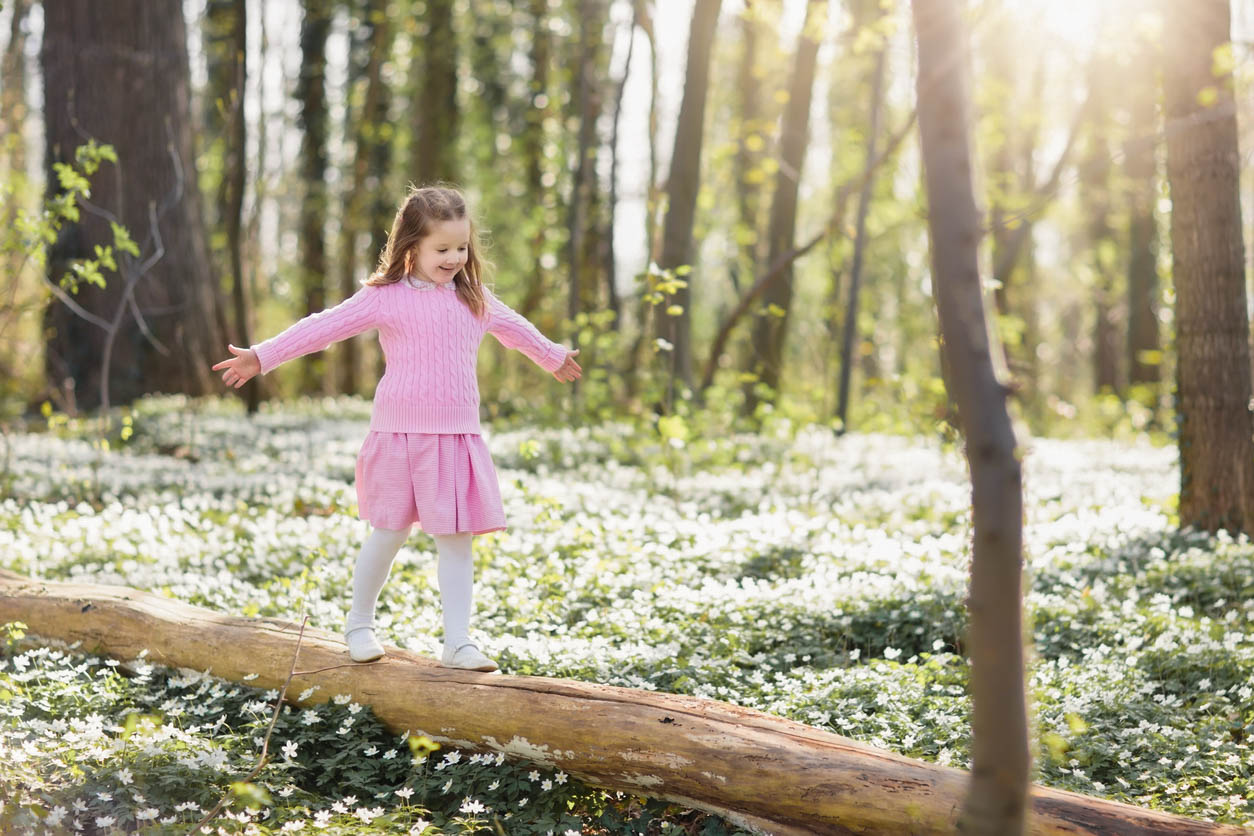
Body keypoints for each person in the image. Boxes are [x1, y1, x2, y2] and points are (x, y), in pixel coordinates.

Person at [211, 185, 581, 672]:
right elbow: (323, 326)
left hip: (454, 437)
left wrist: (553, 357)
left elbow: (517, 330)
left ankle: (458, 642)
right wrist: (263, 356)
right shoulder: (385, 298)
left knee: (456, 539)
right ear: (412, 245)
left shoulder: (474, 298)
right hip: (399, 437)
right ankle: (359, 625)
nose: (454, 258)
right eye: (442, 249)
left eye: (461, 247)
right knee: (388, 533)